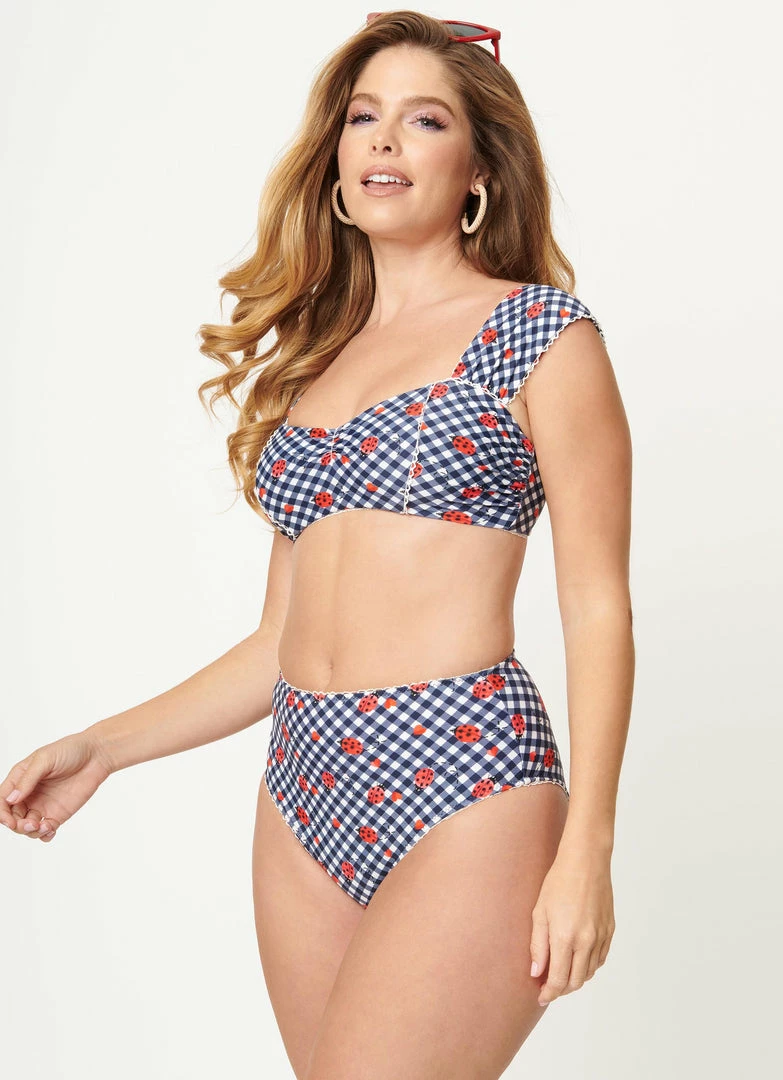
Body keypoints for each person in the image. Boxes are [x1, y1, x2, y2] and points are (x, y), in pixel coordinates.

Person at [1, 11, 634, 1078]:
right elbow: (279, 642)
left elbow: (598, 607)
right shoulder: (315, 366)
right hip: (301, 784)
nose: (383, 139)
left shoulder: (540, 336)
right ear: (336, 161)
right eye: (362, 117)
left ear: (479, 170)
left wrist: (589, 852)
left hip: (466, 773)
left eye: (424, 120)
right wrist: (104, 747)